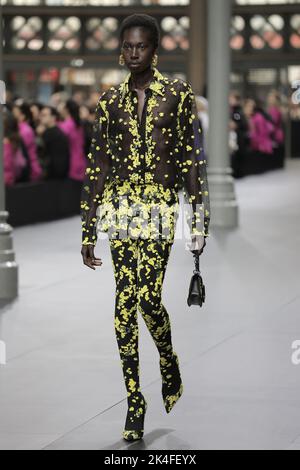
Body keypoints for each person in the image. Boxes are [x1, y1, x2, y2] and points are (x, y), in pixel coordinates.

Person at [80, 13, 210, 442]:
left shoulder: (178, 94)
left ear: (155, 49)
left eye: (142, 46)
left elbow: (192, 161)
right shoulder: (109, 101)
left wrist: (199, 219)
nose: (134, 52)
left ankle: (168, 359)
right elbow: (97, 165)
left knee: (148, 298)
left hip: (158, 205)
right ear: (122, 47)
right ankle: (134, 398)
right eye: (128, 45)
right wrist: (87, 228)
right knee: (123, 306)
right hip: (121, 206)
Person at [37, 105, 70, 179]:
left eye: (44, 115)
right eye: (41, 115)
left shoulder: (50, 133)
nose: (41, 117)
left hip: (53, 176)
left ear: (53, 117)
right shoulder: (57, 132)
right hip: (59, 174)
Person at [58, 99, 86, 181]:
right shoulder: (78, 124)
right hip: (81, 160)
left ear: (66, 110)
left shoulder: (66, 125)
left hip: (71, 163)